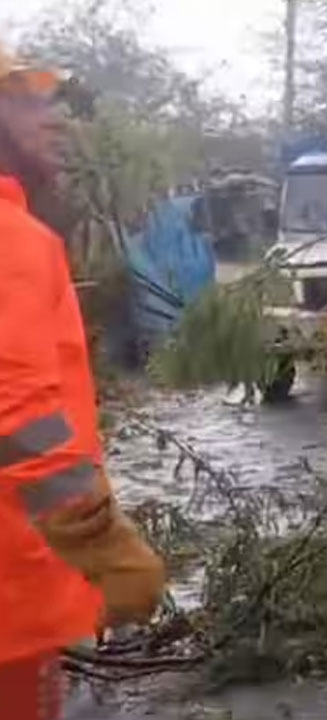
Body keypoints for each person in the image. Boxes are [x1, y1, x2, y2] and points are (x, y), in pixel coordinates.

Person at [0, 47, 166, 719]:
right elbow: (14, 405)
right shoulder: (12, 238)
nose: (53, 119)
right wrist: (102, 543)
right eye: (30, 99)